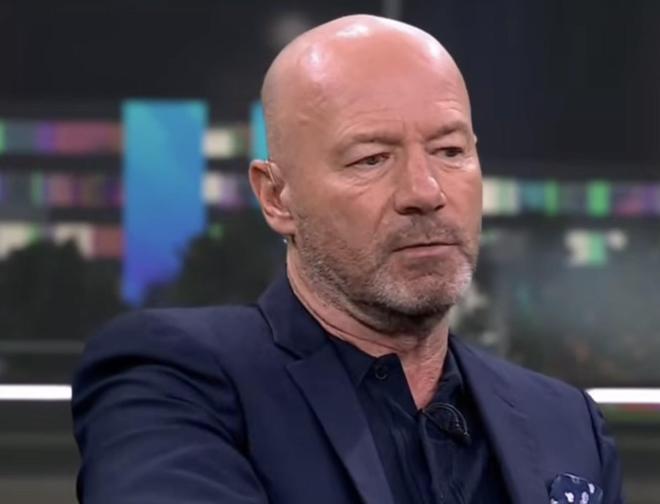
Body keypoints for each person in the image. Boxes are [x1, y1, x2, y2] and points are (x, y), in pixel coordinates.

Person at [72, 14, 623, 504]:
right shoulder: (176, 381)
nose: (425, 191)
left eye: (450, 151)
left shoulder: (566, 423)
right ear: (277, 197)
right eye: (371, 159)